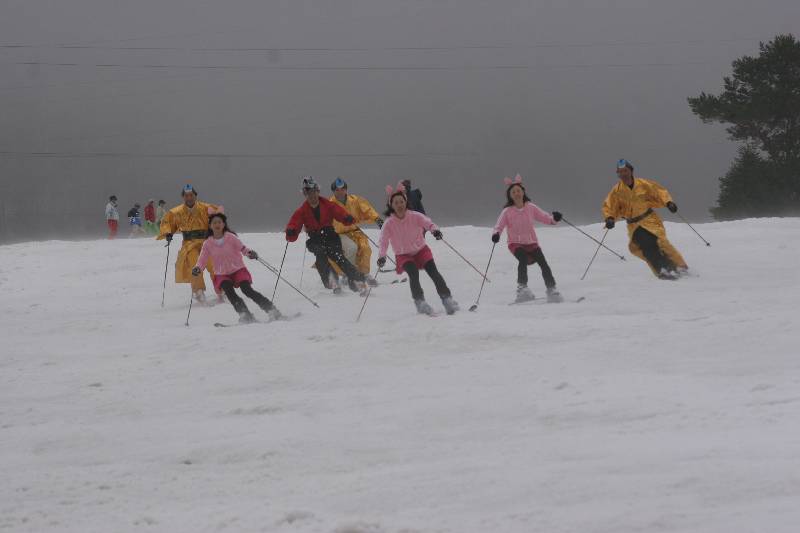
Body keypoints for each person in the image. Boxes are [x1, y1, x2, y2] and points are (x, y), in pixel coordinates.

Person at [377, 184, 459, 315]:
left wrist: (435, 230)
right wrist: (382, 256)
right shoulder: (389, 223)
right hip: (403, 255)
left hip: (421, 250)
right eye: (396, 203)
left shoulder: (415, 216)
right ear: (391, 205)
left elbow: (428, 223)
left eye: (401, 201)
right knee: (413, 273)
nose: (399, 205)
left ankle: (447, 299)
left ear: (406, 202)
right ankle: (420, 302)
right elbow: (383, 241)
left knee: (434, 272)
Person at [602, 159, 688, 280]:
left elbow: (659, 192)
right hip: (634, 225)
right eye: (620, 172)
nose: (623, 174)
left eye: (625, 171)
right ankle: (662, 270)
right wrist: (610, 218)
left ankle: (679, 267)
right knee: (645, 246)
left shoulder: (643, 184)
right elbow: (609, 206)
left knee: (660, 242)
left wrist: (668, 203)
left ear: (631, 171)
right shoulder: (616, 191)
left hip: (650, 220)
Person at [192, 213, 281, 324]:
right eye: (214, 223)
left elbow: (243, 249)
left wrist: (250, 253)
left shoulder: (231, 237)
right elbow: (202, 260)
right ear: (210, 226)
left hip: (238, 269)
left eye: (219, 222)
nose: (217, 225)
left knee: (247, 290)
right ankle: (245, 315)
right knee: (230, 293)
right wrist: (198, 268)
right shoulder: (207, 243)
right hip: (221, 273)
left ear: (223, 224)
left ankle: (273, 311)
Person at [285, 177, 367, 294]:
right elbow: (294, 223)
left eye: (314, 192)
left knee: (338, 257)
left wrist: (346, 218)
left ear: (318, 191)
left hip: (330, 236)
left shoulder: (328, 204)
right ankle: (332, 281)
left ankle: (358, 278)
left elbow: (339, 213)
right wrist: (291, 231)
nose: (312, 196)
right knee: (320, 255)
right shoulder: (301, 211)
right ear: (305, 194)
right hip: (315, 239)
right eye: (308, 193)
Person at [492, 175, 563, 303]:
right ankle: (522, 289)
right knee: (522, 258)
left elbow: (545, 217)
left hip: (531, 242)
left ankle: (552, 289)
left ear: (523, 192)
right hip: (515, 243)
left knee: (543, 263)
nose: (516, 193)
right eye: (513, 192)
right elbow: (499, 225)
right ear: (510, 196)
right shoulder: (507, 211)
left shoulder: (531, 207)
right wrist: (496, 234)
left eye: (518, 191)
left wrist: (554, 219)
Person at [158, 184, 222, 303]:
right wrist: (168, 233)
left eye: (191, 195)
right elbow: (167, 222)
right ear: (183, 197)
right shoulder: (176, 212)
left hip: (206, 242)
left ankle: (221, 289)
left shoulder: (206, 208)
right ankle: (198, 291)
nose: (189, 198)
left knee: (213, 264)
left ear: (195, 196)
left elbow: (219, 217)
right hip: (189, 244)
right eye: (186, 196)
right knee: (194, 264)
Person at [329, 177, 383, 286]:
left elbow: (367, 209)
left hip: (355, 231)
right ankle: (347, 274)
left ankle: (364, 274)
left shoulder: (354, 200)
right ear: (333, 191)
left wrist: (377, 219)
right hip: (339, 234)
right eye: (337, 190)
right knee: (351, 248)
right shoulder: (330, 204)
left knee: (365, 248)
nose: (340, 192)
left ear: (346, 190)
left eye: (342, 189)